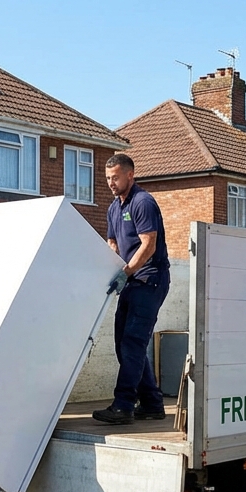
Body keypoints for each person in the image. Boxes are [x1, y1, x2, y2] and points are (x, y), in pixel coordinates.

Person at [94, 153, 170, 426]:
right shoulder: (114, 208)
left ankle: (124, 405)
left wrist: (125, 273)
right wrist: (108, 271)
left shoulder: (143, 202)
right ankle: (151, 403)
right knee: (123, 344)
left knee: (133, 343)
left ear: (130, 175)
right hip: (130, 281)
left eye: (115, 177)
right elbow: (113, 245)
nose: (111, 183)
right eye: (107, 179)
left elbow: (148, 245)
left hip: (150, 279)